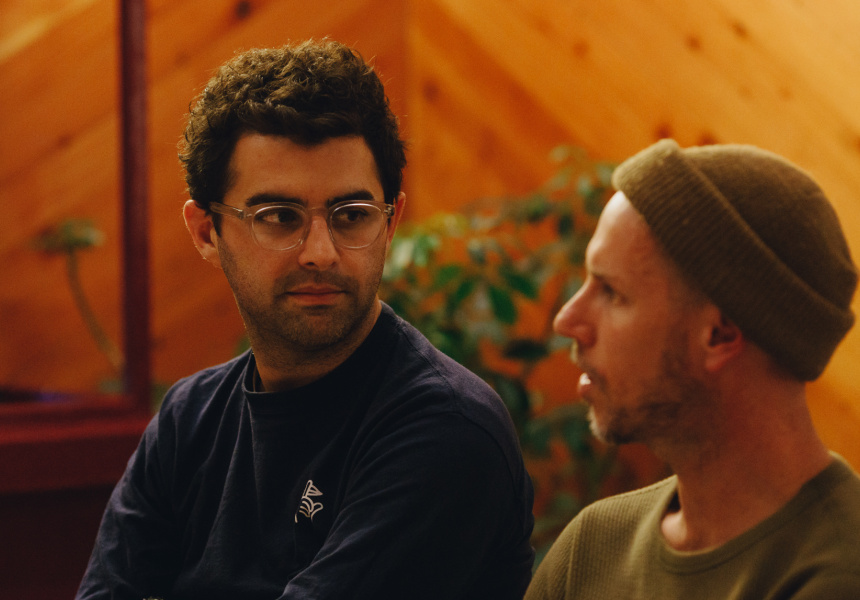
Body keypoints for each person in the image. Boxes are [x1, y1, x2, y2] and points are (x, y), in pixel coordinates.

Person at [76, 39, 534, 600]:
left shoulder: (447, 429)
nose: (321, 252)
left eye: (351, 215)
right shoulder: (188, 420)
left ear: (391, 223)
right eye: (279, 216)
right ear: (206, 232)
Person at [525, 139, 860, 599]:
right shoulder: (593, 546)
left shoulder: (837, 576)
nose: (568, 321)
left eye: (611, 293)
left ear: (719, 336)